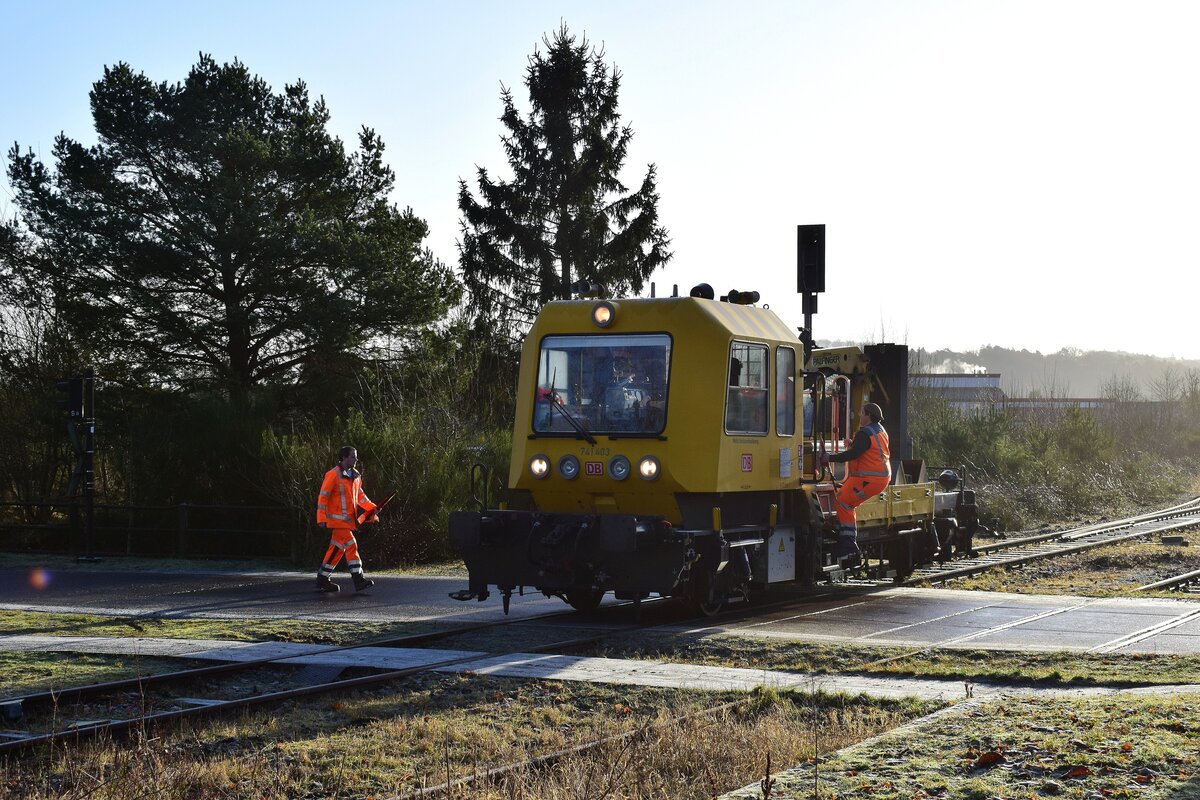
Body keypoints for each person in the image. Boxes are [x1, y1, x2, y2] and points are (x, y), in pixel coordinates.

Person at [821, 403, 891, 565]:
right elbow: (866, 451)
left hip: (868, 479)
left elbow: (853, 454)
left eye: (862, 413)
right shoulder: (879, 430)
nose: (860, 416)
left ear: (868, 415)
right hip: (877, 479)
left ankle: (849, 547)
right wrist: (852, 443)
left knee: (843, 502)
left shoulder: (865, 433)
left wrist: (829, 458)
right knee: (846, 500)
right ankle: (847, 543)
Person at [315, 446, 377, 592]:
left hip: (348, 522)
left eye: (356, 456)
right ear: (344, 458)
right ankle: (358, 579)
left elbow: (360, 497)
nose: (356, 459)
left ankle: (322, 578)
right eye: (353, 457)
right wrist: (321, 518)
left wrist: (373, 508)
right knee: (351, 544)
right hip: (337, 521)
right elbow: (323, 497)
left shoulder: (355, 476)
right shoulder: (333, 474)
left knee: (337, 549)